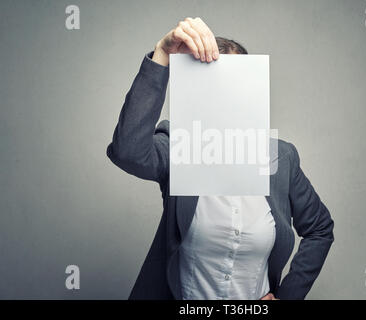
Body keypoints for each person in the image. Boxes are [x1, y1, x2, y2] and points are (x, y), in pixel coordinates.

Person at [106, 17, 334, 300]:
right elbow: (127, 152)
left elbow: (320, 229)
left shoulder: (280, 158)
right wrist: (162, 55)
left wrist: (288, 296)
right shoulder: (181, 148)